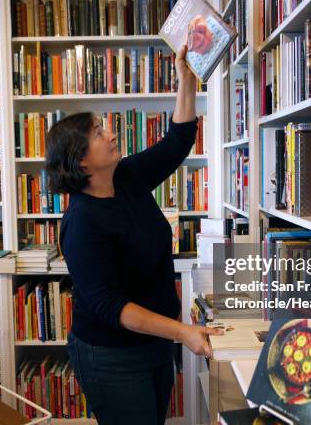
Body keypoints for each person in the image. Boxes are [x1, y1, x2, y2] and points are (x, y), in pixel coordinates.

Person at [45, 45, 222, 425]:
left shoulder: (125, 176)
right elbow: (113, 307)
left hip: (153, 344)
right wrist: (183, 332)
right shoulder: (82, 223)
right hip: (110, 356)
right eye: (98, 132)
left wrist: (186, 80)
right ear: (81, 160)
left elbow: (177, 143)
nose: (110, 134)